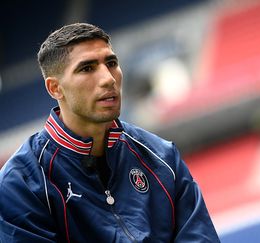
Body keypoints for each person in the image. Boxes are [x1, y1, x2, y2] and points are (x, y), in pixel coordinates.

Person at [0, 23, 220, 242]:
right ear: (55, 88)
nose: (108, 79)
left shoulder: (162, 156)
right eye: (87, 68)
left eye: (111, 63)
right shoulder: (21, 184)